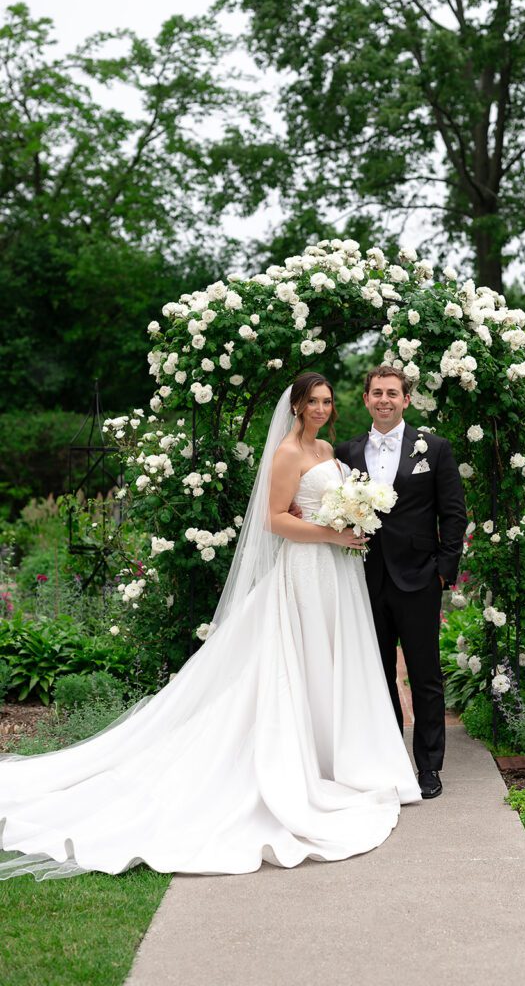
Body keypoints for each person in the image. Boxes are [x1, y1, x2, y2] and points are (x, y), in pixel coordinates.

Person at [0, 373, 420, 881]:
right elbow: (273, 520)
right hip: (307, 569)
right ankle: (305, 764)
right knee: (302, 660)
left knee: (335, 660)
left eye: (327, 401)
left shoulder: (329, 446)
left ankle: (338, 758)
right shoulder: (286, 453)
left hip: (337, 572)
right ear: (295, 406)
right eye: (312, 401)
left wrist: (352, 528)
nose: (321, 409)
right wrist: (332, 532)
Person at [335, 367, 467, 800]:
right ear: (366, 399)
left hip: (419, 578)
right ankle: (389, 762)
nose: (385, 399)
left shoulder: (435, 449)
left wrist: (444, 570)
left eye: (393, 393)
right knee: (377, 675)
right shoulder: (346, 452)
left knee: (425, 676)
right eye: (377, 393)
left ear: (406, 400)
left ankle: (429, 766)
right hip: (364, 577)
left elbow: (453, 514)